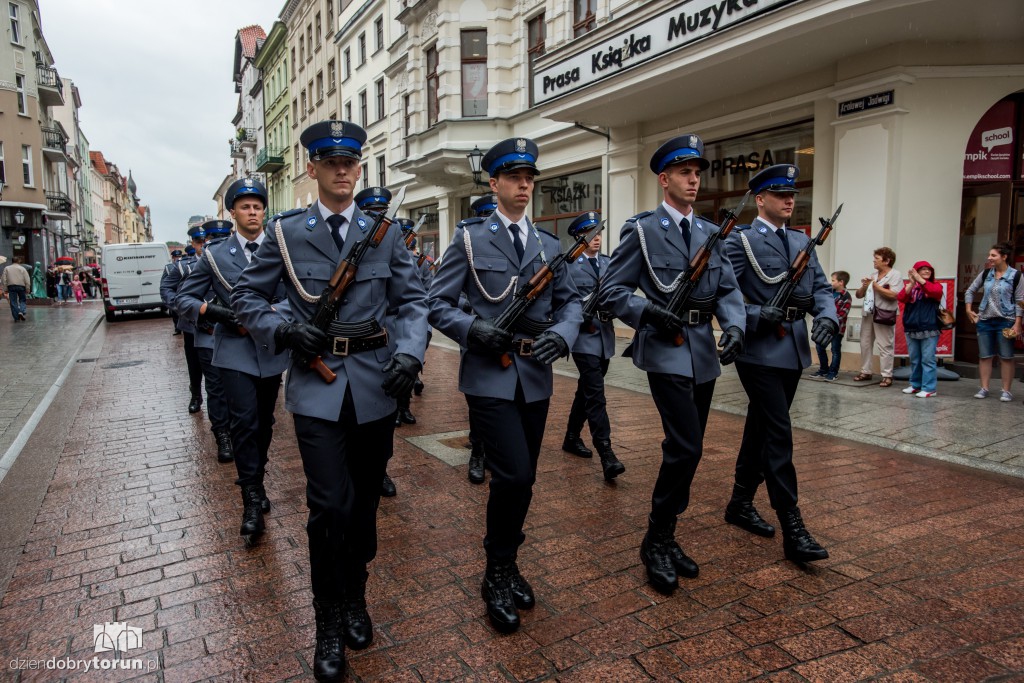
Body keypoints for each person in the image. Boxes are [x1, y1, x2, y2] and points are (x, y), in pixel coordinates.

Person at [231, 120, 428, 682]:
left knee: (364, 503)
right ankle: (327, 615)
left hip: (376, 385)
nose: (343, 171)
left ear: (359, 167)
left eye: (351, 162)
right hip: (317, 386)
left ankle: (355, 594)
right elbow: (249, 295)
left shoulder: (384, 232)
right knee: (327, 507)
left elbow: (412, 303)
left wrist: (411, 356)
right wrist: (286, 330)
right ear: (312, 169)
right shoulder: (287, 232)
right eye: (331, 162)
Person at [428, 137, 581, 633]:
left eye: (529, 177)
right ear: (493, 184)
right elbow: (438, 302)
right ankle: (496, 569)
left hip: (535, 374)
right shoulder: (470, 239)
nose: (523, 185)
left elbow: (573, 302)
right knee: (512, 475)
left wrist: (562, 333)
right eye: (513, 177)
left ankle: (509, 561)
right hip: (489, 374)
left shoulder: (550, 246)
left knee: (527, 476)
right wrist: (473, 329)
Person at [601, 134, 745, 594]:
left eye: (697, 172)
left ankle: (666, 533)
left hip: (703, 350)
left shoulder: (709, 233)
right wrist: (645, 312)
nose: (694, 179)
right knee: (685, 447)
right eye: (685, 172)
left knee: (692, 447)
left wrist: (736, 324)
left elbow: (727, 289)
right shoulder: (642, 231)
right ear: (664, 180)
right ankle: (656, 538)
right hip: (665, 347)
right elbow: (612, 290)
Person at [722, 163, 838, 564]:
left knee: (761, 426)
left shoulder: (803, 241)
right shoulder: (741, 242)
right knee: (778, 432)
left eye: (792, 194)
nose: (790, 200)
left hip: (793, 350)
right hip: (757, 351)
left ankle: (739, 503)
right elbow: (726, 294)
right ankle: (793, 526)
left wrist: (827, 316)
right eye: (780, 194)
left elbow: (821, 288)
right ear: (760, 199)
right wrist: (754, 317)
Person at [177, 178, 288, 544]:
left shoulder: (281, 248)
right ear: (233, 212)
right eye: (245, 206)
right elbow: (185, 299)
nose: (253, 212)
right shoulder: (215, 255)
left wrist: (270, 314)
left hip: (269, 349)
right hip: (234, 351)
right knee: (243, 422)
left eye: (257, 206)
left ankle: (258, 476)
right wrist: (216, 312)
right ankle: (251, 498)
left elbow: (298, 297)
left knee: (264, 423)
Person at [562, 212, 625, 481]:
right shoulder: (569, 265)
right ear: (579, 237)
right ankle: (606, 453)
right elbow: (563, 300)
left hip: (604, 338)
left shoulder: (609, 263)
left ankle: (571, 437)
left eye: (598, 233)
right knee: (596, 395)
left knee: (586, 391)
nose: (596, 238)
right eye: (590, 234)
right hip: (582, 338)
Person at [354, 185, 400, 499]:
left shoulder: (392, 240)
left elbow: (410, 300)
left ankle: (381, 469)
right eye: (371, 213)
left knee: (382, 424)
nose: (377, 217)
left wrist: (411, 349)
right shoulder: (352, 243)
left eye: (381, 212)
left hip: (385, 348)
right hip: (346, 349)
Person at [458, 193, 496, 486]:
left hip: (506, 337)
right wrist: (470, 317)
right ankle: (478, 451)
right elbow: (451, 293)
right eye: (487, 215)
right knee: (478, 395)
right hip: (475, 332)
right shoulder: (467, 244)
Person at [964, 241, 1024, 402]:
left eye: (993, 255)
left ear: (1004, 257)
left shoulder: (1016, 276)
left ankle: (1006, 391)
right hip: (985, 320)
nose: (989, 258)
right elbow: (970, 291)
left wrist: (1017, 323)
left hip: (1006, 321)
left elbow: (1020, 300)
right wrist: (969, 309)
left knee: (1006, 356)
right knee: (985, 356)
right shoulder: (986, 274)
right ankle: (984, 388)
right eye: (989, 255)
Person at [161, 234, 206, 411]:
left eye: (205, 241)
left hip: (218, 323)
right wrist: (180, 307)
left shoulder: (223, 261)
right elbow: (166, 288)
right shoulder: (183, 267)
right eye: (199, 242)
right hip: (192, 324)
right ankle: (195, 394)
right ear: (193, 244)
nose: (203, 245)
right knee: (194, 362)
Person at [853, 247, 901, 387]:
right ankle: (866, 371)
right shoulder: (873, 275)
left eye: (877, 258)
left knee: (885, 344)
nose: (874, 260)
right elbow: (858, 295)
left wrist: (874, 286)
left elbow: (894, 294)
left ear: (887, 261)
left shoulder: (895, 275)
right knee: (865, 343)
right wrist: (864, 286)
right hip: (869, 313)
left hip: (885, 313)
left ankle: (887, 375)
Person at [898, 261, 944, 398]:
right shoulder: (913, 287)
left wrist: (919, 279)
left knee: (928, 359)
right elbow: (901, 298)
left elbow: (934, 292)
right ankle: (915, 384)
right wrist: (912, 283)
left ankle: (929, 388)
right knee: (915, 359)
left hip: (929, 327)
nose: (926, 272)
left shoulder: (935, 285)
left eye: (928, 270)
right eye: (923, 269)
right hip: (911, 327)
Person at [812, 270, 852, 381]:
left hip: (837, 329)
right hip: (824, 326)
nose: (831, 282)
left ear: (841, 282)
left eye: (833, 280)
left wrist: (829, 319)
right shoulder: (828, 293)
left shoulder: (846, 297)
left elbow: (842, 314)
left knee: (835, 350)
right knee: (820, 348)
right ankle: (823, 370)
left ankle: (833, 372)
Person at [1, 257, 30, 321]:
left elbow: (4, 279)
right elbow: (27, 279)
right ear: (18, 261)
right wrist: (27, 288)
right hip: (21, 286)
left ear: (12, 261)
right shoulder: (22, 269)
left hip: (11, 286)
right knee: (22, 300)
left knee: (13, 302)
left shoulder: (7, 268)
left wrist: (5, 288)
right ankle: (21, 311)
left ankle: (16, 317)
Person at [167, 249, 184, 334]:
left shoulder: (185, 264)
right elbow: (165, 281)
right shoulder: (169, 267)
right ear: (173, 258)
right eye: (176, 257)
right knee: (174, 311)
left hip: (183, 291)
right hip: (174, 291)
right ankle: (177, 328)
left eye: (179, 256)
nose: (177, 258)